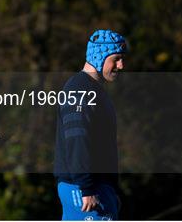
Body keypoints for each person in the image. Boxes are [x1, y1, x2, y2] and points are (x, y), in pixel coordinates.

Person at [54, 29, 127, 220]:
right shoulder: (80, 90)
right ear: (99, 56)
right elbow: (77, 140)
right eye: (116, 58)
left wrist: (112, 191)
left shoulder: (96, 92)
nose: (121, 65)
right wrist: (86, 188)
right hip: (84, 189)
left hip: (99, 188)